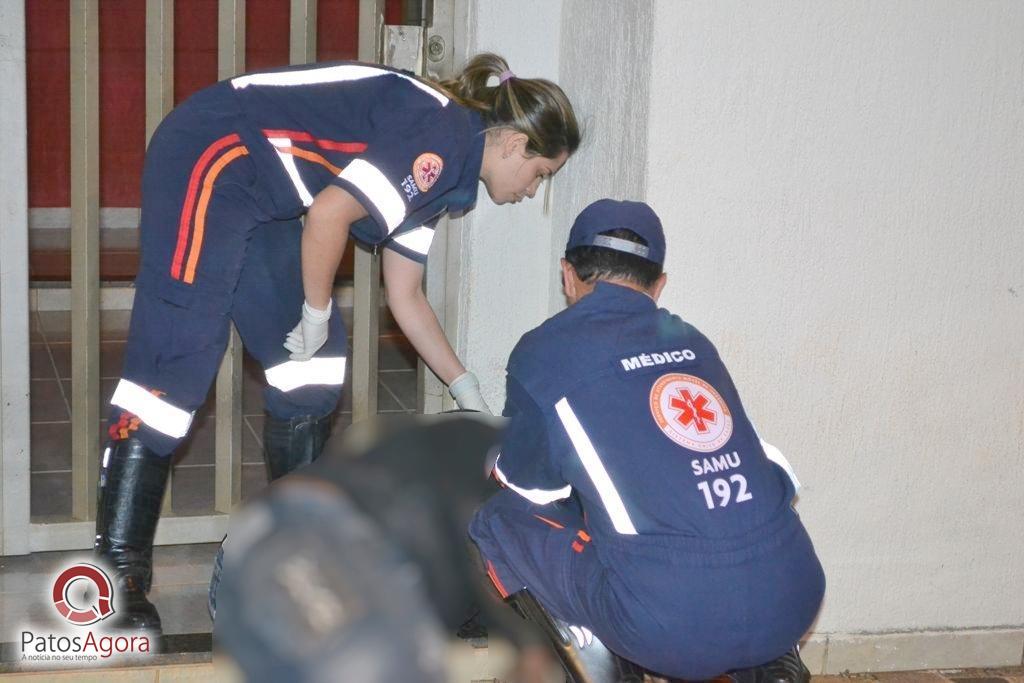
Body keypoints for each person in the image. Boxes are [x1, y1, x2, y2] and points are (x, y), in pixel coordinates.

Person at [95, 53, 580, 633]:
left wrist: (466, 388)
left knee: (312, 372)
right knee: (177, 359)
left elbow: (406, 297)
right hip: (213, 150)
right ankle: (118, 578)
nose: (533, 191)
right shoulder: (444, 135)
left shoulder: (448, 182)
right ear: (513, 144)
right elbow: (329, 215)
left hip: (262, 192)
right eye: (541, 174)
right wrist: (316, 309)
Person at [469, 199, 825, 680]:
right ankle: (768, 664)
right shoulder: (693, 341)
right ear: (657, 285)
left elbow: (535, 491)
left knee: (500, 518)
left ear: (568, 275)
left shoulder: (545, 350)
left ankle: (598, 658)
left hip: (667, 626)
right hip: (794, 595)